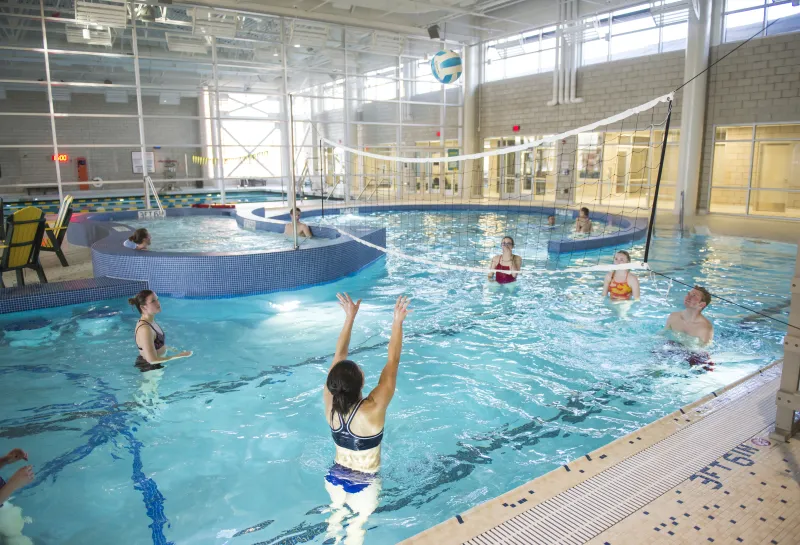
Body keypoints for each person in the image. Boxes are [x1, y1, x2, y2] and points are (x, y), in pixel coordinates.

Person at [323, 293, 410, 545]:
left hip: (334, 476)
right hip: (365, 482)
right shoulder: (372, 409)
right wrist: (397, 322)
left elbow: (338, 357)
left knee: (334, 519)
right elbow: (392, 362)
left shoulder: (330, 404)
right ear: (361, 383)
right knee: (357, 528)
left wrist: (349, 317)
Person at [129, 290, 192, 372]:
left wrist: (170, 348)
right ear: (143, 307)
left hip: (156, 364)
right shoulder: (145, 329)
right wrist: (179, 356)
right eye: (153, 301)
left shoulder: (150, 322)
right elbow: (151, 360)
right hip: (150, 368)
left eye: (157, 299)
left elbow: (155, 344)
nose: (158, 303)